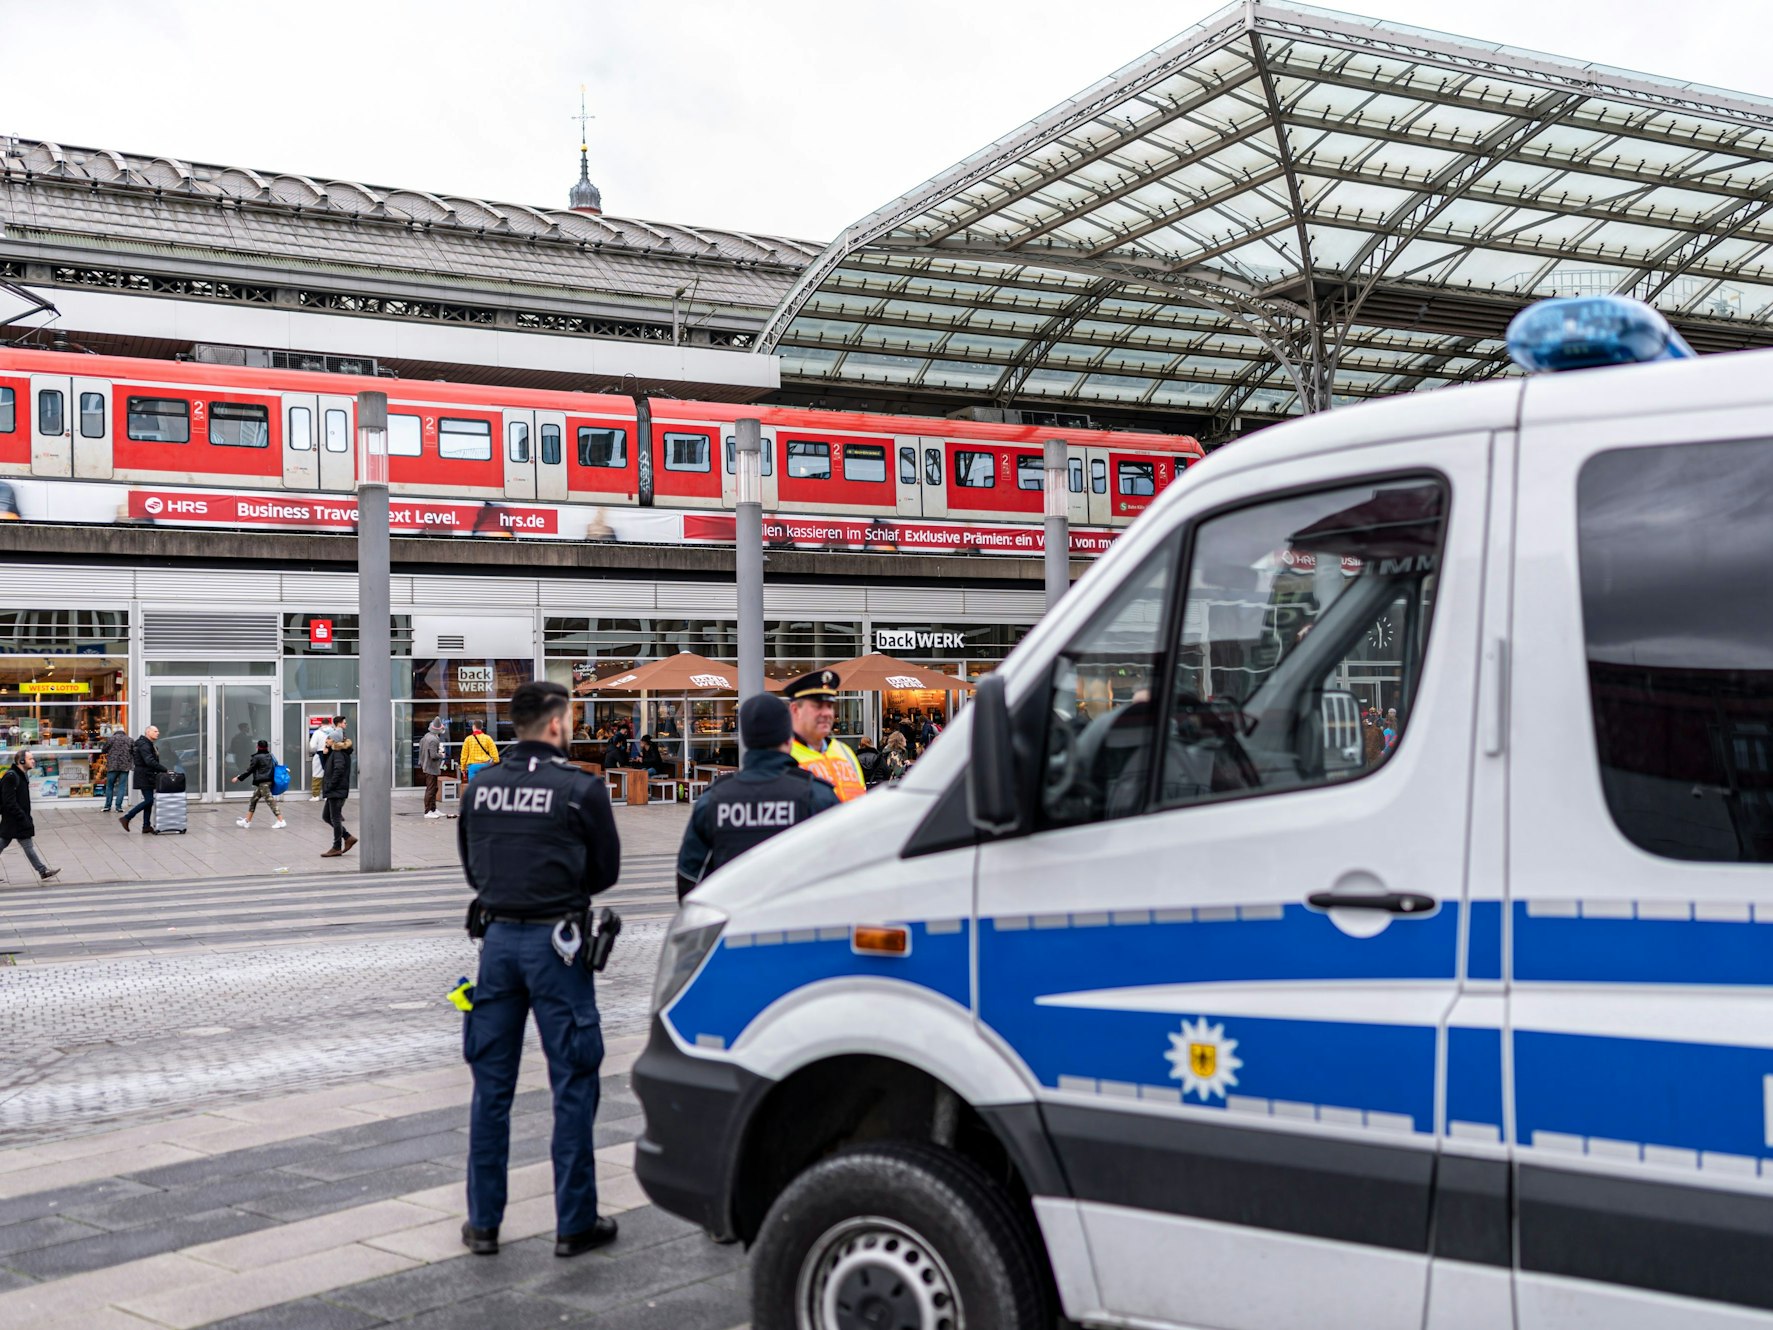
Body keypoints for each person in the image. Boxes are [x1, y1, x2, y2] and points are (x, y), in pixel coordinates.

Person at [456, 680, 622, 1260]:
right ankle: (574, 1223)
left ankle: (483, 1223)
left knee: (491, 1088)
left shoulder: (481, 788)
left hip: (497, 944)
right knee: (573, 1083)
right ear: (556, 724)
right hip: (560, 946)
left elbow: (473, 869)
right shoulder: (581, 788)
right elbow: (605, 873)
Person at [676, 694, 840, 900]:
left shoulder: (713, 801)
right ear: (789, 738)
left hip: (734, 916)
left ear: (745, 740)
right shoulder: (818, 796)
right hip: (800, 915)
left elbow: (689, 878)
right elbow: (844, 870)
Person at [783, 669, 866, 802]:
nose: (827, 713)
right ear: (795, 710)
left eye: (830, 706)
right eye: (818, 706)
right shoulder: (782, 755)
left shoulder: (845, 752)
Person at [0, 751, 60, 881]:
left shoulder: (22, 775)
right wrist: (22, 816)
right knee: (5, 843)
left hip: (19, 819)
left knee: (27, 846)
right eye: (30, 759)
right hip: (13, 820)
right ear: (21, 761)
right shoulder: (11, 776)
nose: (33, 761)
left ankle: (43, 871)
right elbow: (9, 802)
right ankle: (43, 871)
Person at [119, 725, 167, 834]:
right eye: (155, 731)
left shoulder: (147, 744)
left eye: (158, 731)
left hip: (147, 774)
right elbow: (149, 761)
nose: (158, 733)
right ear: (148, 732)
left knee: (148, 801)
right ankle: (127, 817)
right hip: (144, 775)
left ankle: (146, 826)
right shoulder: (144, 745)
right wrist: (164, 769)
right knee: (149, 800)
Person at [319, 719, 356, 857]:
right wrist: (325, 753)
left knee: (335, 818)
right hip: (335, 790)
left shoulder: (339, 753)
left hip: (336, 790)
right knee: (326, 816)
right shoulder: (334, 752)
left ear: (334, 740)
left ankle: (336, 847)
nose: (327, 740)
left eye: (329, 738)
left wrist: (331, 785)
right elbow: (327, 767)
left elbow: (339, 770)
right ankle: (347, 837)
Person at [233, 739, 285, 828]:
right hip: (268, 781)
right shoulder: (270, 756)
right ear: (267, 747)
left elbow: (250, 770)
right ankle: (247, 821)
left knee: (270, 801)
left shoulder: (256, 757)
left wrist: (238, 777)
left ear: (257, 747)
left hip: (263, 783)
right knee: (253, 800)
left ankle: (281, 821)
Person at [99, 726, 133, 813]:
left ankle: (107, 806)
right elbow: (134, 752)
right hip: (125, 766)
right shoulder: (129, 740)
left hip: (112, 766)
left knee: (110, 786)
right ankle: (118, 807)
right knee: (122, 786)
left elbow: (103, 750)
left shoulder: (111, 739)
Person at [421, 717, 449, 819]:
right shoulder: (433, 740)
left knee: (434, 788)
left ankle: (433, 809)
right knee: (431, 789)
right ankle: (428, 811)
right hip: (431, 767)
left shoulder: (427, 736)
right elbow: (433, 755)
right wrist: (441, 755)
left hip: (427, 765)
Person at [309, 717, 334, 798]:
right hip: (332, 754)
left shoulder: (317, 732)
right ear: (329, 723)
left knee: (317, 775)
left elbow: (312, 746)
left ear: (321, 724)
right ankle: (328, 795)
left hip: (320, 754)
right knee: (330, 775)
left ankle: (315, 796)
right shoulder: (333, 732)